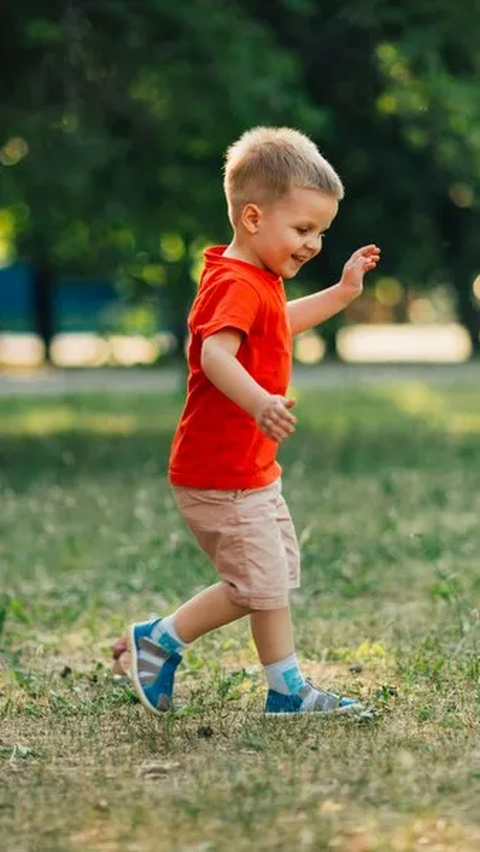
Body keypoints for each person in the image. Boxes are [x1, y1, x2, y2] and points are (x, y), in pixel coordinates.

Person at [126, 126, 380, 716]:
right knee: (256, 584)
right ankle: (165, 642)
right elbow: (216, 357)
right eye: (303, 229)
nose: (313, 243)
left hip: (248, 469)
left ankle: (279, 686)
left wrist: (341, 294)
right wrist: (259, 402)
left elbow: (279, 323)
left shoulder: (256, 280)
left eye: (321, 232)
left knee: (270, 579)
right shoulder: (234, 283)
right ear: (252, 217)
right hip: (220, 473)